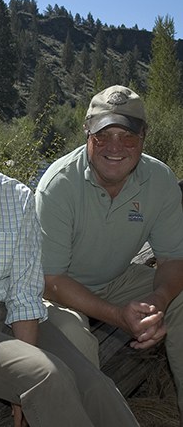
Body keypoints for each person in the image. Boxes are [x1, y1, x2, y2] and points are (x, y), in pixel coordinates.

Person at [0, 80, 139, 427]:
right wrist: (28, 380)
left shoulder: (20, 197)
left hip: (14, 315)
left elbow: (24, 288)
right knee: (47, 375)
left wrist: (24, 377)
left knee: (95, 386)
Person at [35, 84, 183, 425]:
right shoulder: (59, 184)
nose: (115, 147)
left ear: (144, 136)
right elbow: (49, 279)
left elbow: (174, 259)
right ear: (88, 133)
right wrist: (119, 316)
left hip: (116, 278)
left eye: (128, 135)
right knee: (77, 342)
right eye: (104, 134)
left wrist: (158, 301)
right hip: (56, 292)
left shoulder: (160, 180)